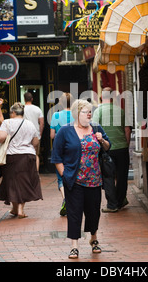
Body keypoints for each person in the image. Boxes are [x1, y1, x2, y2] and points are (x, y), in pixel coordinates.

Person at [51, 99, 111, 259]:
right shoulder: (65, 131)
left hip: (95, 180)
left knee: (93, 212)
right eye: (86, 111)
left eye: (90, 111)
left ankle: (94, 238)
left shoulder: (96, 128)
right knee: (74, 212)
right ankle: (74, 245)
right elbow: (56, 157)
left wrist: (102, 139)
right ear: (77, 114)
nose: (89, 114)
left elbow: (108, 146)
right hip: (74, 180)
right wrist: (64, 175)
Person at [0, 102, 43, 218]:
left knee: (12, 182)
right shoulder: (30, 124)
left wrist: (1, 134)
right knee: (24, 182)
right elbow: (35, 142)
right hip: (28, 156)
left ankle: (17, 209)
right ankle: (17, 209)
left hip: (12, 156)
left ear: (14, 113)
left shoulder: (7, 122)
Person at [92, 87, 131, 212]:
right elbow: (127, 130)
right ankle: (120, 201)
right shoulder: (121, 111)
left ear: (102, 97)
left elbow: (95, 129)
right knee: (122, 176)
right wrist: (126, 145)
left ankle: (112, 205)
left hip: (106, 149)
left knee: (108, 176)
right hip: (122, 148)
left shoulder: (98, 112)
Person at [50, 92, 75, 216]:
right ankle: (73, 200)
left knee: (61, 176)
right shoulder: (76, 115)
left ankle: (66, 199)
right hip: (74, 148)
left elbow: (52, 135)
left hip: (60, 148)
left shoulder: (56, 115)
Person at [23, 92, 44, 171]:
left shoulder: (22, 109)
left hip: (24, 135)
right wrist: (40, 134)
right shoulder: (37, 109)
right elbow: (41, 123)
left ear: (24, 99)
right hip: (36, 135)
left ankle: (27, 172)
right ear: (32, 99)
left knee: (25, 154)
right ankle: (35, 172)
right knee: (35, 154)